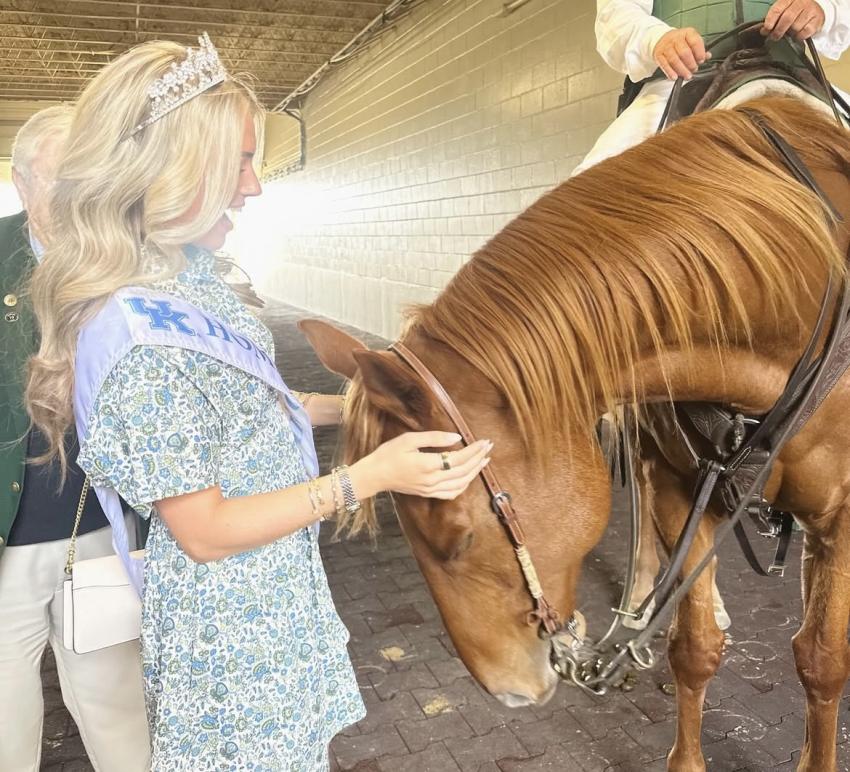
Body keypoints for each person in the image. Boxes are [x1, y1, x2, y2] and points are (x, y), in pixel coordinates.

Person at [25, 34, 492, 771]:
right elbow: (205, 532)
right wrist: (366, 478)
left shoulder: (191, 278)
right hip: (230, 634)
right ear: (172, 169)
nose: (254, 186)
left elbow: (247, 414)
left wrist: (360, 403)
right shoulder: (139, 336)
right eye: (239, 161)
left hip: (274, 594)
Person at [0, 105, 150, 771]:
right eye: (63, 179)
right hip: (9, 533)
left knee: (116, 703)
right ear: (22, 181)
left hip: (98, 524)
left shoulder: (126, 264)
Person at [573, 0, 850, 175]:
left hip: (786, 68)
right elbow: (616, 15)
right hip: (683, 78)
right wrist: (657, 39)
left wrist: (822, 10)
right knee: (592, 193)